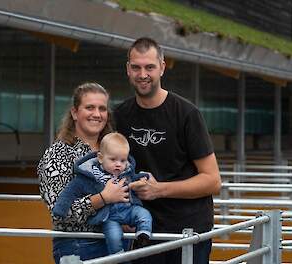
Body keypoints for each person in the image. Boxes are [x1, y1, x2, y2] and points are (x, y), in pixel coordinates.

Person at [113, 37, 222, 264]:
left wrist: (159, 190)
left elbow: (212, 181)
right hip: (144, 231)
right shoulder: (120, 116)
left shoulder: (186, 114)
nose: (143, 74)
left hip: (188, 232)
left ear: (162, 67)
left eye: (149, 67)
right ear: (128, 70)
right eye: (136, 67)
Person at [38, 82, 130, 264]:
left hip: (117, 242)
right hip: (78, 245)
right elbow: (60, 213)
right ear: (74, 113)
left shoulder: (114, 152)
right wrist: (103, 198)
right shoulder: (57, 154)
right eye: (90, 107)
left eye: (102, 109)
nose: (97, 114)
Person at [52, 132, 152, 254]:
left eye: (123, 160)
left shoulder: (126, 172)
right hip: (108, 216)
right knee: (114, 236)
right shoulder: (89, 176)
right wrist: (61, 208)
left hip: (128, 210)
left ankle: (143, 235)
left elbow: (136, 178)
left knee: (144, 214)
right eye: (113, 159)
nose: (118, 164)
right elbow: (69, 192)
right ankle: (118, 256)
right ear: (100, 158)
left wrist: (143, 180)